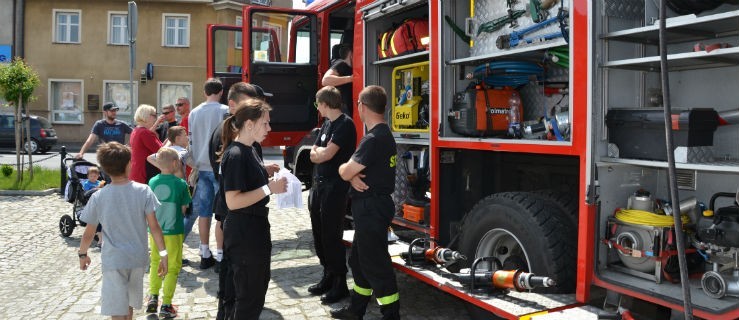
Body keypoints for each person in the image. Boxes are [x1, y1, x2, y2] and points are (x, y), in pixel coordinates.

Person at [211, 82, 279, 320]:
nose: (269, 128)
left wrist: (264, 175)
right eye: (265, 123)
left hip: (252, 230)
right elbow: (233, 201)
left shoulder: (248, 150)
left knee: (249, 291)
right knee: (248, 296)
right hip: (244, 233)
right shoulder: (238, 154)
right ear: (249, 124)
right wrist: (268, 188)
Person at [77, 141, 168, 320]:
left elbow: (89, 232)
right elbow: (155, 227)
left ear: (104, 169)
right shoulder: (144, 191)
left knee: (117, 309)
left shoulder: (98, 196)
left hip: (114, 260)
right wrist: (163, 254)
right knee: (128, 305)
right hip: (137, 258)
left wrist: (82, 254)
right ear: (130, 164)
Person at [333, 86, 400, 320]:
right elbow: (351, 172)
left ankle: (391, 315)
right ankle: (356, 309)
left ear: (362, 106)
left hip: (371, 208)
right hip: (373, 207)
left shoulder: (372, 139)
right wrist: (351, 175)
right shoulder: (383, 135)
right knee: (359, 260)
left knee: (376, 264)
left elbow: (344, 170)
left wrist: (349, 174)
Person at [307, 86, 356, 304]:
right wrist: (320, 154)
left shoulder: (345, 125)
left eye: (318, 104)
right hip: (319, 187)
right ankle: (327, 275)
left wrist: (320, 154)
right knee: (318, 234)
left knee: (331, 235)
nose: (317, 108)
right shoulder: (327, 124)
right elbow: (313, 153)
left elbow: (327, 153)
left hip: (335, 188)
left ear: (325, 104)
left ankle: (340, 283)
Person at [145, 147, 192, 319]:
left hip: (155, 231)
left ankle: (153, 297)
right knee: (172, 266)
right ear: (174, 163)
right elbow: (184, 209)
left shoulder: (151, 182)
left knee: (155, 261)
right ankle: (166, 304)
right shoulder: (181, 184)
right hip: (174, 232)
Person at [189, 78, 229, 269]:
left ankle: (205, 252)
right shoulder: (225, 111)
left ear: (205, 92)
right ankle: (221, 254)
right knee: (221, 214)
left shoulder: (193, 113)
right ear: (221, 92)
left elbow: (191, 140)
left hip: (201, 166)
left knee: (204, 213)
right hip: (219, 166)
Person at [130, 104, 164, 184]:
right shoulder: (144, 133)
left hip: (137, 171)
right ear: (147, 116)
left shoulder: (136, 130)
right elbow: (162, 151)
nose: (155, 118)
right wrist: (171, 140)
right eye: (154, 115)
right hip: (145, 174)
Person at [322, 45, 353, 118]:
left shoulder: (340, 64)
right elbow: (325, 80)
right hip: (342, 108)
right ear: (351, 54)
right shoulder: (341, 63)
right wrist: (351, 78)